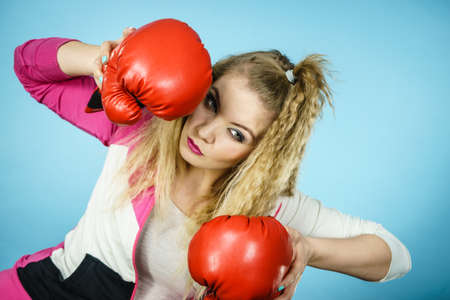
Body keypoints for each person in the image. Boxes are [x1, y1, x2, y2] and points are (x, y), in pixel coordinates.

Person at [1, 25, 412, 300]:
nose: (205, 131)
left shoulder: (271, 210)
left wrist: (305, 248)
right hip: (39, 290)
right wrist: (105, 59)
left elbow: (395, 255)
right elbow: (29, 68)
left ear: (259, 153)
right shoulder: (141, 129)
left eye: (237, 133)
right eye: (211, 102)